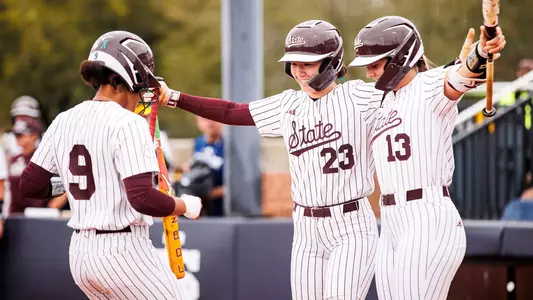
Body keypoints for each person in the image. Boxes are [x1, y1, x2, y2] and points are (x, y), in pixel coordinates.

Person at [158, 20, 381, 300]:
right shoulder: (289, 104)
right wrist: (173, 97)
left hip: (351, 224)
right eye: (294, 63)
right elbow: (231, 112)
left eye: (308, 63)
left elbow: (411, 94)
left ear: (331, 62)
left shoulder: (359, 96)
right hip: (306, 227)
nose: (299, 71)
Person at [19, 30, 202, 300]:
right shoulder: (129, 123)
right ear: (119, 80)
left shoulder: (64, 119)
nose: (140, 96)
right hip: (123, 250)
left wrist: (67, 185)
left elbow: (30, 185)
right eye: (138, 87)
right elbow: (142, 198)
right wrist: (184, 205)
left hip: (80, 253)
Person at [348, 16, 506, 300]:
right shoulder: (383, 100)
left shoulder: (429, 86)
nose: (370, 72)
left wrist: (481, 53)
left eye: (375, 63)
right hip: (391, 218)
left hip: (427, 215)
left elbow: (463, 76)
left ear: (400, 57)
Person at [6, 118, 68, 214]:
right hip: (14, 216)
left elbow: (66, 184)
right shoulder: (14, 160)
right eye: (15, 134)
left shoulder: (45, 158)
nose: (17, 138)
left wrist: (51, 208)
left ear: (33, 135)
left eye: (20, 135)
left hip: (39, 216)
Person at [181, 116, 225, 216]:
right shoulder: (199, 142)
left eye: (214, 118)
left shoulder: (230, 144)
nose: (210, 122)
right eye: (204, 118)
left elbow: (241, 183)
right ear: (198, 122)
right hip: (202, 206)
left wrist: (212, 193)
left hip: (223, 208)